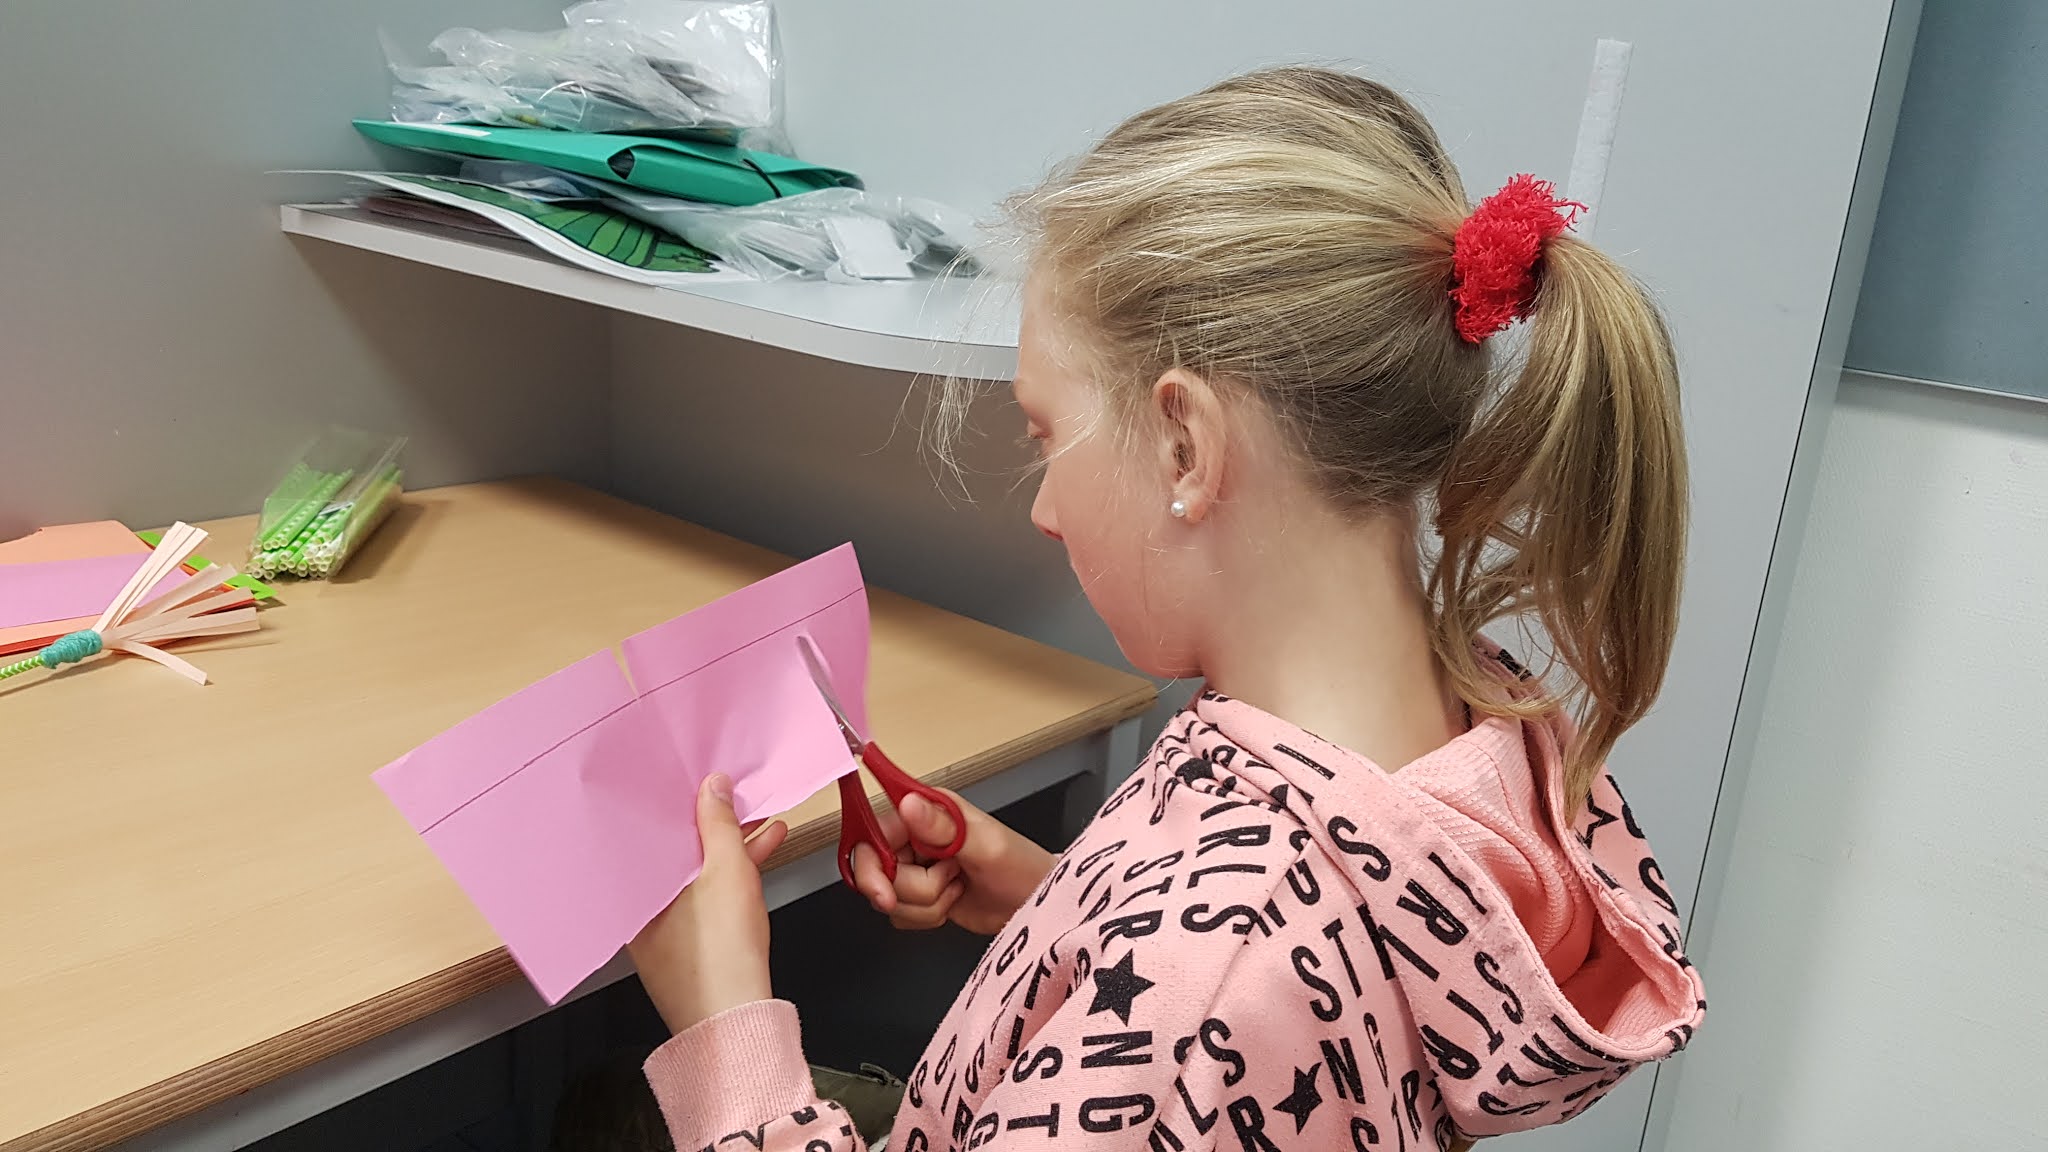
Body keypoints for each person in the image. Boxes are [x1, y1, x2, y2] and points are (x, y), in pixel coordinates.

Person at [623, 66, 1705, 1151]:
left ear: (1186, 447)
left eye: (1046, 435)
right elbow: (1272, 1013)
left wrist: (725, 1031)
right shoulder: (1462, 728)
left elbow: (1207, 1016)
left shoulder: (1207, 992)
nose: (1045, 509)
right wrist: (1065, 908)